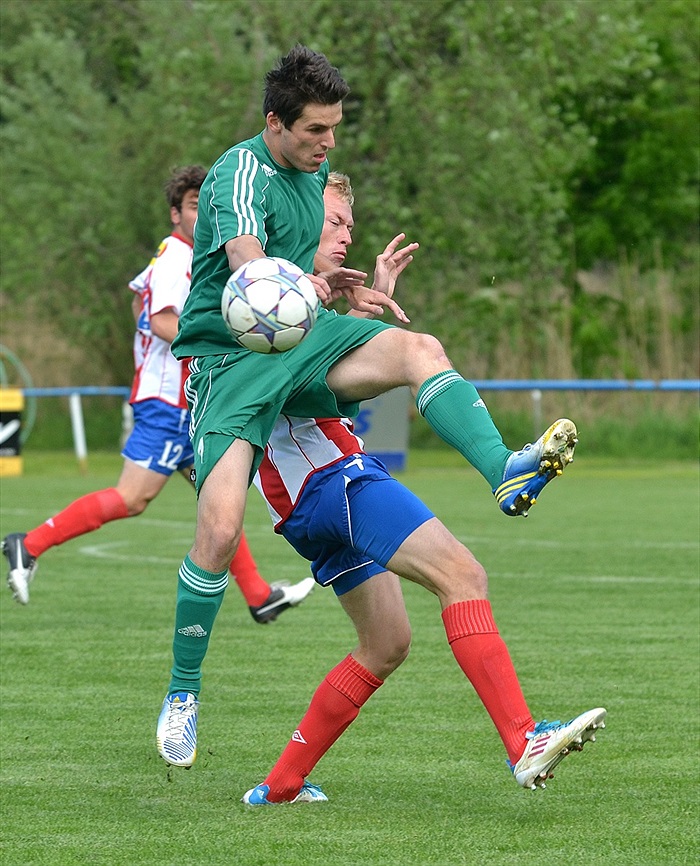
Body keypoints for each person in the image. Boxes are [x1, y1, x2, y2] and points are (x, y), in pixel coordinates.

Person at [155, 45, 580, 769]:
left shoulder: (313, 172)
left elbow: (299, 268)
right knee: (221, 530)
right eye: (315, 130)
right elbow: (252, 271)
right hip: (232, 364)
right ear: (275, 122)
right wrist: (307, 291)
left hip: (301, 339)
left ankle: (503, 469)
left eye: (334, 128)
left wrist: (342, 284)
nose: (328, 143)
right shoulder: (239, 173)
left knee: (417, 349)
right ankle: (183, 690)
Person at [1, 165, 314, 623]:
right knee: (134, 497)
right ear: (175, 214)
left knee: (217, 499)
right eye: (192, 206)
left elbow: (138, 305)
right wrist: (233, 331)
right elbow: (161, 320)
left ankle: (258, 594)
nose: (201, 213)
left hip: (185, 399)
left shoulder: (187, 255)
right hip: (169, 402)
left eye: (205, 204)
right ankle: (27, 545)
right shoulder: (176, 256)